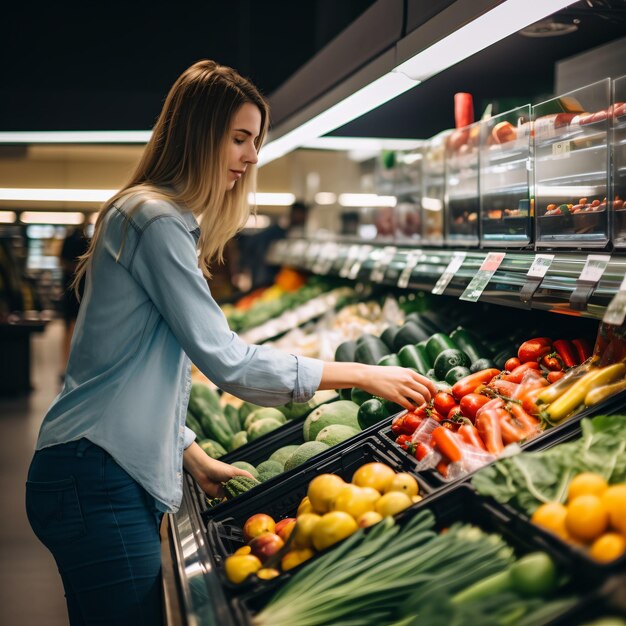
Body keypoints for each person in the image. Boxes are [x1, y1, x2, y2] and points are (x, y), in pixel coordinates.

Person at [24, 60, 435, 626]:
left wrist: (187, 450)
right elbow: (229, 363)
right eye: (239, 138)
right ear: (198, 133)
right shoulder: (156, 219)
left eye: (256, 141)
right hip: (96, 474)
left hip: (93, 464)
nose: (251, 157)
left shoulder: (145, 213)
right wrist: (362, 374)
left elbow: (135, 367)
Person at [59, 225, 90, 378]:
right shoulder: (86, 241)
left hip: (73, 287)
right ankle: (70, 365)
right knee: (74, 328)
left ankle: (67, 365)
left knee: (70, 328)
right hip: (77, 288)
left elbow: (62, 262)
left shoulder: (73, 241)